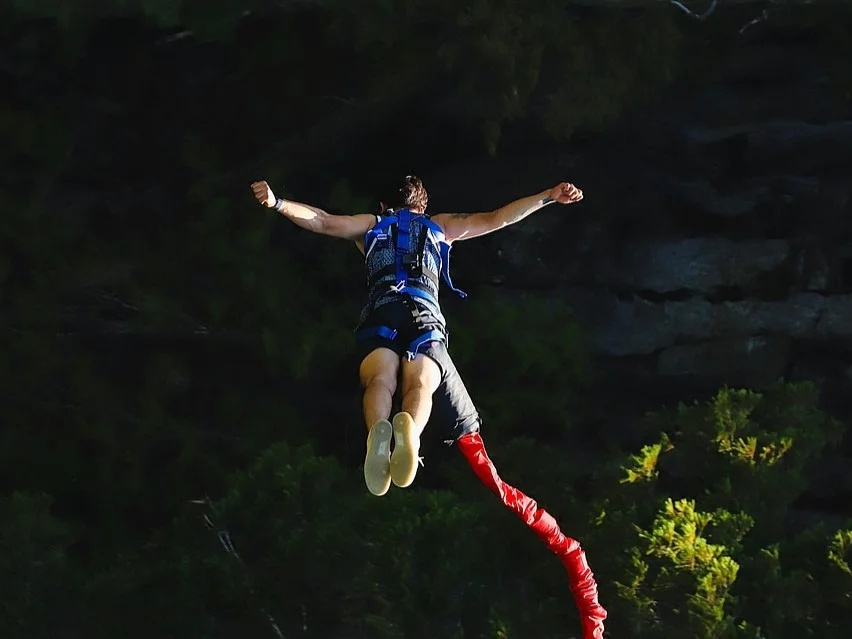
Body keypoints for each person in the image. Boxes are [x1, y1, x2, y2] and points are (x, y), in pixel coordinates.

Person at [250, 175, 607, 639]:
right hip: (423, 314)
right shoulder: (440, 228)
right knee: (422, 383)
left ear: (385, 203)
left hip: (380, 314)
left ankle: (378, 429)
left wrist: (277, 202)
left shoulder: (372, 226)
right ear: (424, 205)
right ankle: (409, 432)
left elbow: (320, 220)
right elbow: (498, 218)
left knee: (378, 378)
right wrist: (546, 197)